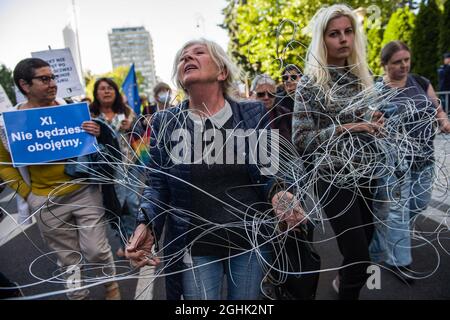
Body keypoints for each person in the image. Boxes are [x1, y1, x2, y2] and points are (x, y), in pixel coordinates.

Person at [125, 38, 306, 300]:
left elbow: (268, 170)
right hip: (196, 244)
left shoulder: (252, 113)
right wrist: (147, 222)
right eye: (183, 57)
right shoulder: (166, 122)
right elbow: (157, 185)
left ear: (222, 72)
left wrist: (279, 193)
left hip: (248, 241)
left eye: (198, 53)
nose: (187, 58)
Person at [0, 58, 120, 300]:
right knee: (68, 258)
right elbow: (3, 164)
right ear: (25, 85)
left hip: (84, 191)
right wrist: (28, 194)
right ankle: (78, 295)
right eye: (44, 79)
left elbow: (96, 148)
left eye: (53, 77)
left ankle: (112, 288)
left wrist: (97, 132)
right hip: (46, 200)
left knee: (96, 250)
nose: (53, 83)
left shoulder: (71, 109)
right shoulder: (8, 123)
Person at [292, 4, 384, 300]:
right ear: (323, 40)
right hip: (332, 178)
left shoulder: (362, 78)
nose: (343, 39)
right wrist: (349, 127)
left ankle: (344, 282)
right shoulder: (310, 84)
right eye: (334, 34)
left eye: (348, 32)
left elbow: (370, 125)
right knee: (358, 256)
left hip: (366, 173)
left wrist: (376, 125)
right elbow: (302, 138)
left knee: (364, 247)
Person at [369, 41, 450, 282]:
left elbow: (437, 108)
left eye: (406, 60)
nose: (404, 65)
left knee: (420, 203)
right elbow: (371, 121)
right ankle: (399, 262)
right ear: (385, 64)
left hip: (425, 157)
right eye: (397, 62)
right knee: (397, 212)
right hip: (395, 163)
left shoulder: (421, 82)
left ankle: (380, 239)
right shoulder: (377, 90)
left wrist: (443, 120)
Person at [90, 77, 145, 258]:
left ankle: (132, 240)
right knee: (116, 206)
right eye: (102, 88)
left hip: (131, 165)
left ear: (116, 92)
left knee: (132, 203)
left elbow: (142, 135)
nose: (106, 91)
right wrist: (98, 134)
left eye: (110, 88)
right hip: (108, 171)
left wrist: (132, 127)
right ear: (96, 93)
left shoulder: (127, 111)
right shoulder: (91, 117)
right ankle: (124, 240)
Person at [250, 74, 291, 140]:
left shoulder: (285, 114)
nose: (266, 97)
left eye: (271, 94)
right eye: (261, 94)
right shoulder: (242, 115)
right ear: (252, 94)